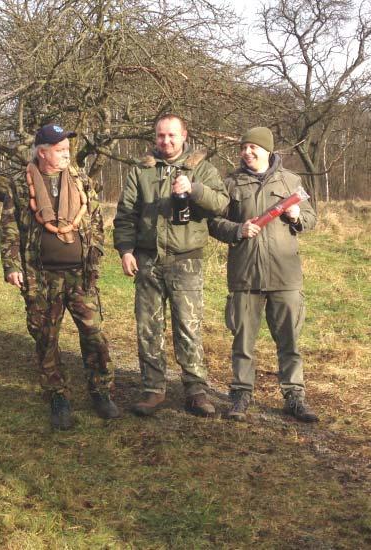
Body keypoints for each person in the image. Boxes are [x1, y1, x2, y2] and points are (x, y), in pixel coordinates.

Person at [0, 123, 119, 430]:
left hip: (80, 276)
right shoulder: (19, 184)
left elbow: (95, 220)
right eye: (60, 149)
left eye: (67, 148)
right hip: (41, 278)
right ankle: (57, 396)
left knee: (94, 333)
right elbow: (10, 228)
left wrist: (96, 256)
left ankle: (101, 391)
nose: (67, 153)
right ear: (42, 152)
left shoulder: (80, 179)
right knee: (46, 338)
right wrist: (12, 267)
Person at [113, 114, 229, 417]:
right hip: (147, 259)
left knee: (188, 327)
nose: (166, 141)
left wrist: (194, 189)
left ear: (184, 135)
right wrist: (126, 250)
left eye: (172, 136)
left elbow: (222, 203)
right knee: (148, 327)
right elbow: (126, 214)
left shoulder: (202, 168)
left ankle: (196, 390)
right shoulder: (141, 171)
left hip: (186, 260)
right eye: (161, 136)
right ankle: (153, 389)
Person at [208, 126, 319, 422]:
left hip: (285, 276)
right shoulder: (230, 183)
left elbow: (311, 218)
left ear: (267, 150)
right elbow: (213, 222)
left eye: (252, 147)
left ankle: (294, 396)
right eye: (243, 147)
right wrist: (236, 229)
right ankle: (241, 394)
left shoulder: (291, 181)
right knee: (243, 341)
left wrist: (297, 217)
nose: (247, 152)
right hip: (245, 275)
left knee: (290, 341)